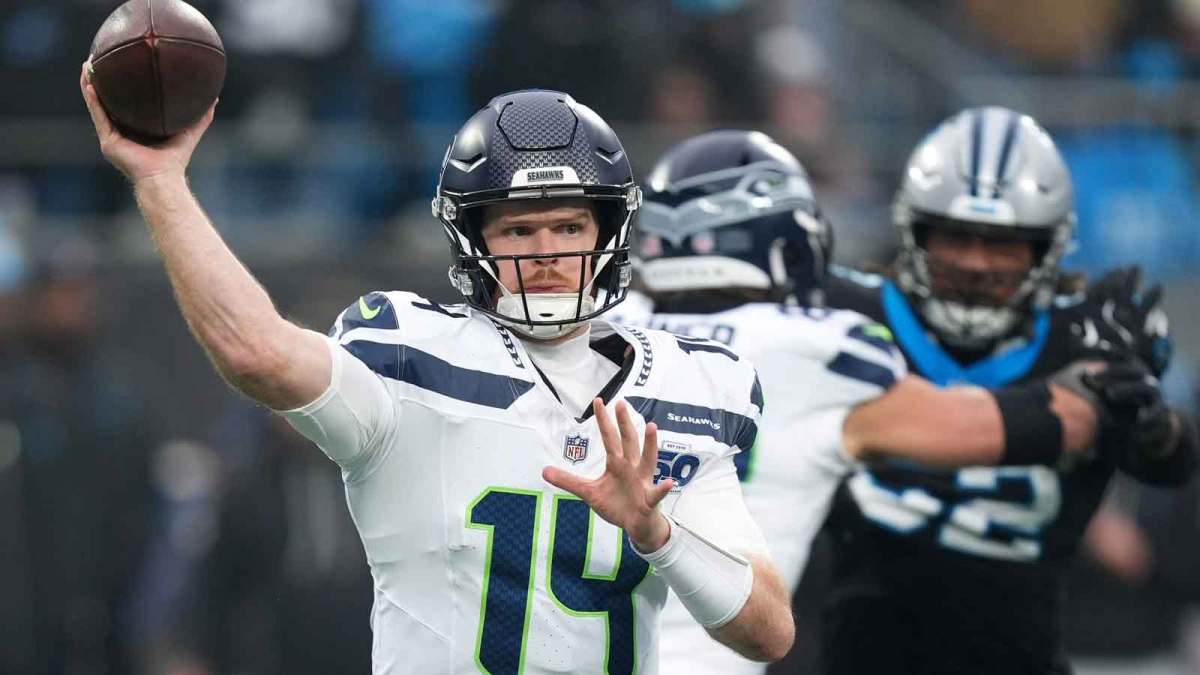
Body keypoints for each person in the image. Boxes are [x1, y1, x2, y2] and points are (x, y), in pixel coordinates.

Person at [80, 74, 794, 675]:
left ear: (606, 235)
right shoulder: (410, 354)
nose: (546, 252)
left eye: (570, 227)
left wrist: (658, 533)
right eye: (518, 229)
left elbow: (767, 631)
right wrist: (161, 181)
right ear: (470, 236)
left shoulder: (685, 384)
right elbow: (256, 353)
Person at [613, 129, 1122, 675]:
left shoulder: (599, 331)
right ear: (788, 240)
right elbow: (1008, 426)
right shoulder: (821, 351)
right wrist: (1104, 377)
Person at [821, 106, 1197, 675]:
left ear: (1048, 250)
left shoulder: (1086, 338)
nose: (975, 263)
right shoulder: (845, 318)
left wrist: (1150, 422)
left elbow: (1171, 462)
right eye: (956, 238)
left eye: (1002, 244)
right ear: (915, 232)